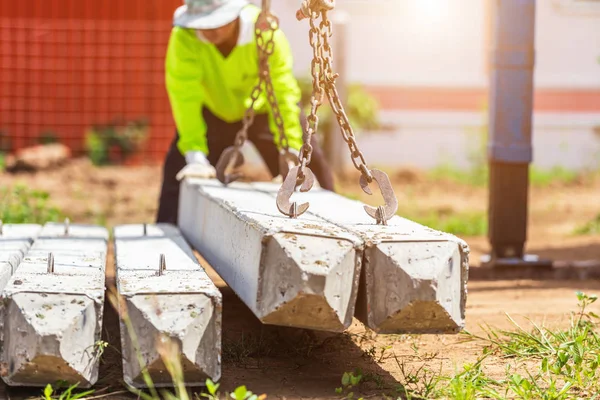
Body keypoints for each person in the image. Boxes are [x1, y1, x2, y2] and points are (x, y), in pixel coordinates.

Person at [156, 0, 335, 224]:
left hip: (261, 111)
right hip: (212, 114)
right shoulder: (185, 37)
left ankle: (333, 219)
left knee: (310, 161)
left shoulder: (266, 31)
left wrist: (290, 149)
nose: (209, 30)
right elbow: (184, 95)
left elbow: (282, 92)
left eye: (217, 23)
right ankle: (166, 234)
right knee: (179, 172)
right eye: (203, 24)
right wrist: (195, 155)